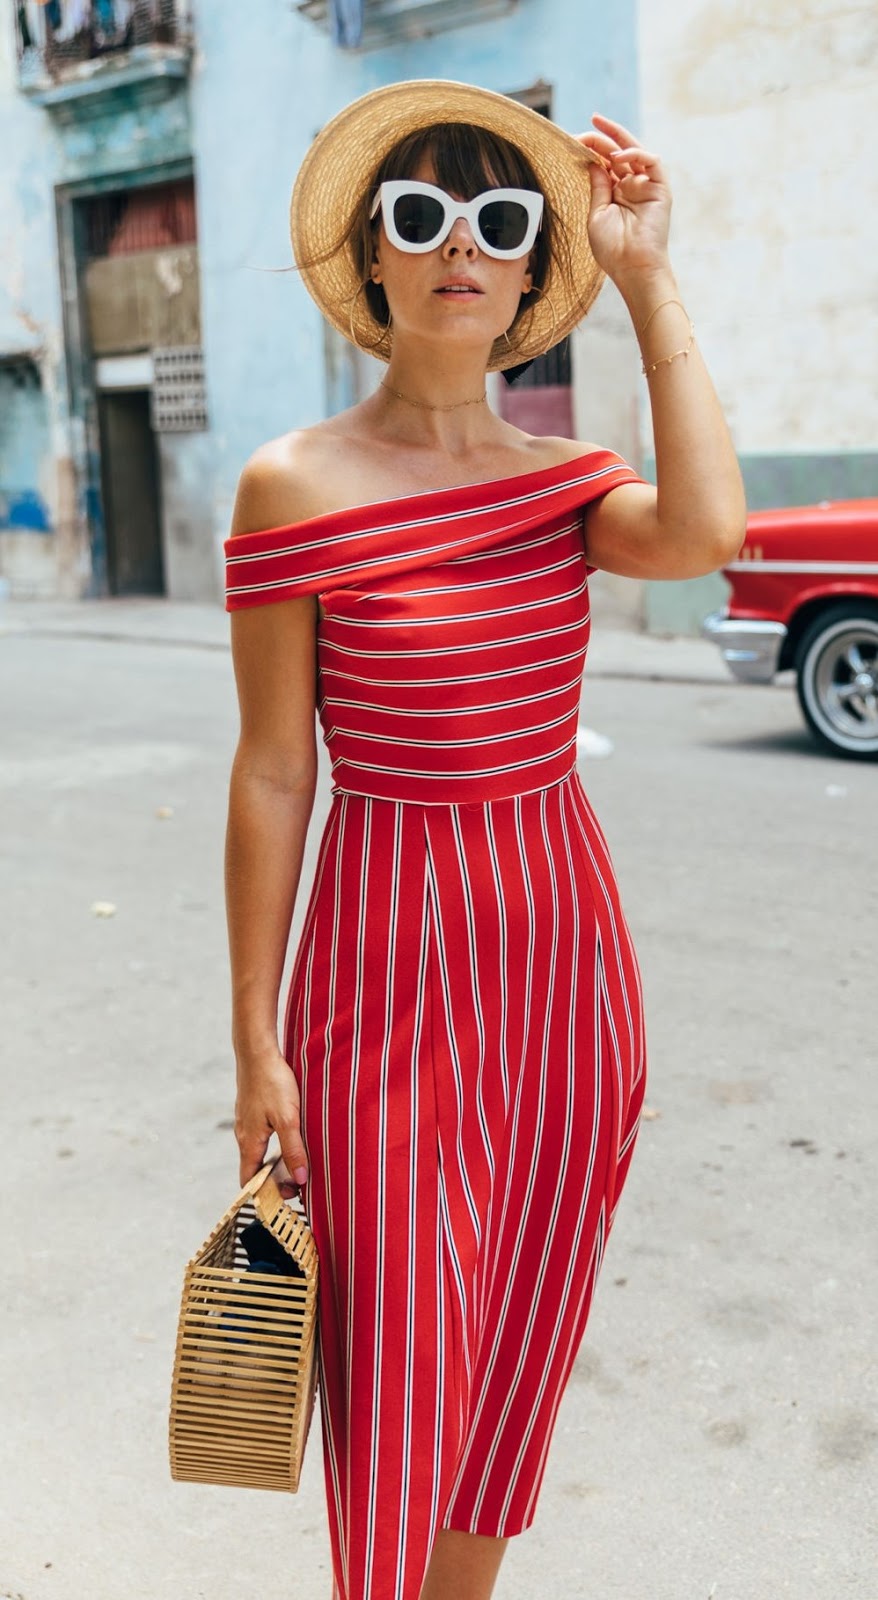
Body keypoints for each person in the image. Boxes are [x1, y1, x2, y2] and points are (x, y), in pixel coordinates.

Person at [223, 80, 745, 1600]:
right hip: (381, 966)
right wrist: (254, 1041)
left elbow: (707, 534)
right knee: (390, 1358)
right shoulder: (291, 485)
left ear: (531, 276)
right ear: (371, 258)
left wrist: (648, 275)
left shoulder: (563, 488)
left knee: (515, 1339)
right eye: (423, 214)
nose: (463, 244)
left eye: (502, 221)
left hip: (564, 963)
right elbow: (270, 776)